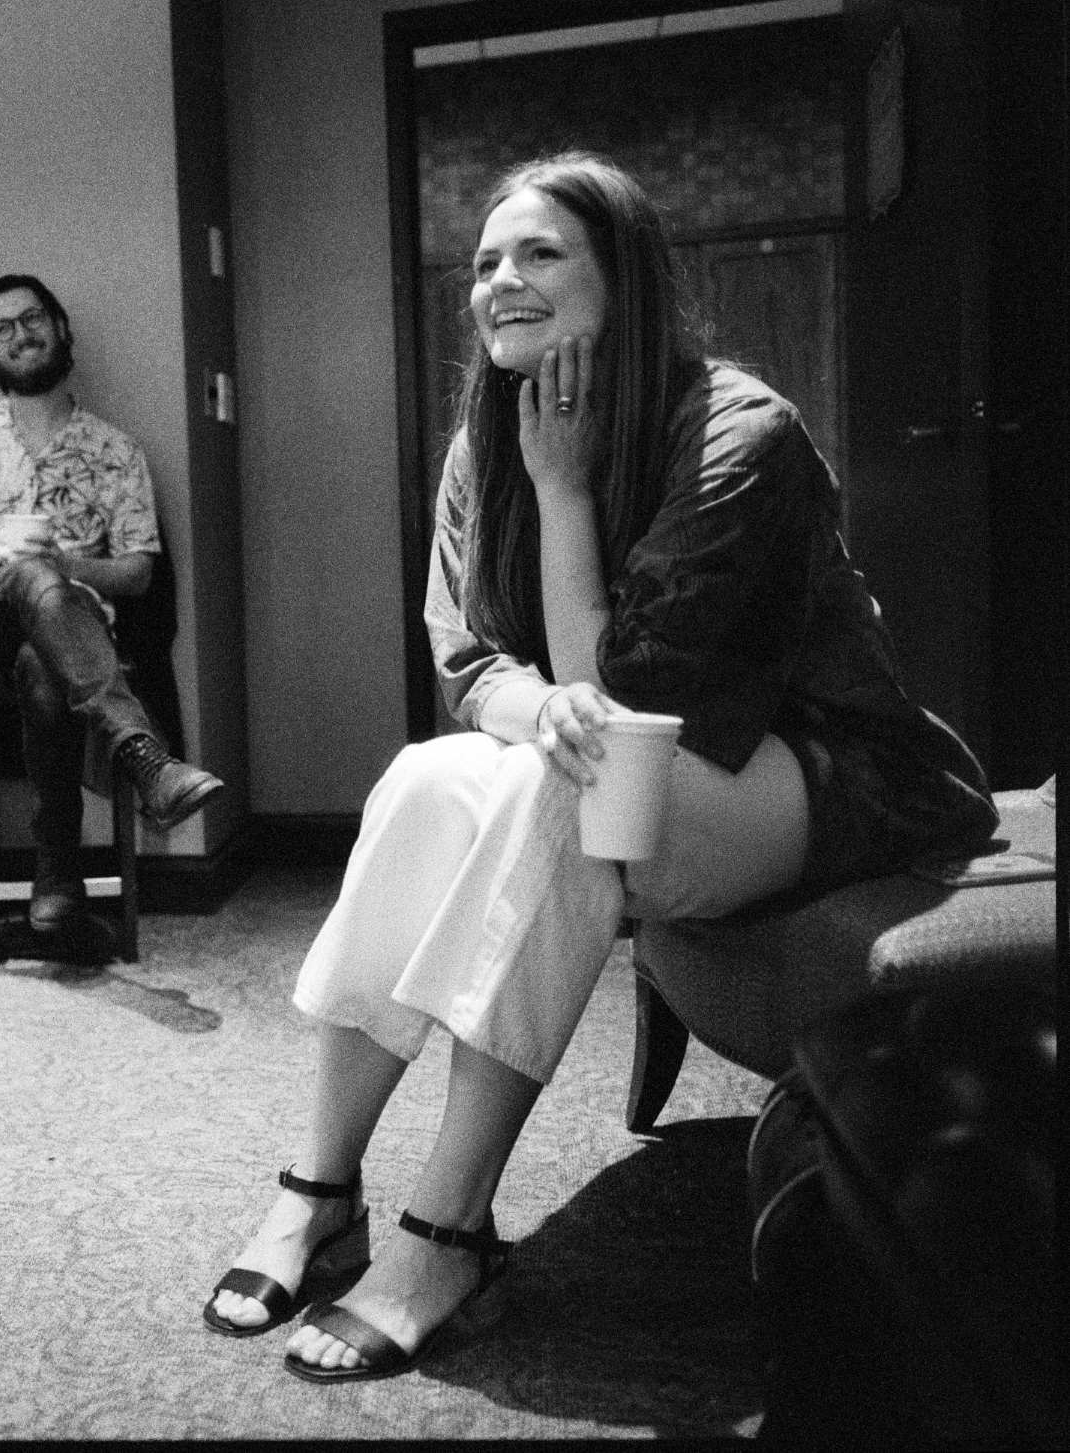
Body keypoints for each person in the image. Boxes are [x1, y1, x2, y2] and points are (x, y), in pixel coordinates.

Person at [202, 153, 995, 1381]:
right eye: (480, 263)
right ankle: (322, 1186)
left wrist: (564, 494)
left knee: (566, 786)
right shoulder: (483, 440)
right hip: (621, 768)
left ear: (619, 274)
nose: (496, 282)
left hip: (826, 773)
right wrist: (537, 704)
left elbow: (633, 705)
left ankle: (446, 1231)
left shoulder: (739, 432)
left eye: (537, 254)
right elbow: (464, 660)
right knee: (425, 776)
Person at [0, 274, 226, 935]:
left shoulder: (116, 452)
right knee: (24, 575)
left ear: (59, 330)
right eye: (3, 329)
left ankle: (56, 880)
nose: (21, 335)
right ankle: (144, 756)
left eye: (33, 320)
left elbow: (139, 571)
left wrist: (61, 567)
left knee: (45, 664)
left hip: (68, 624)